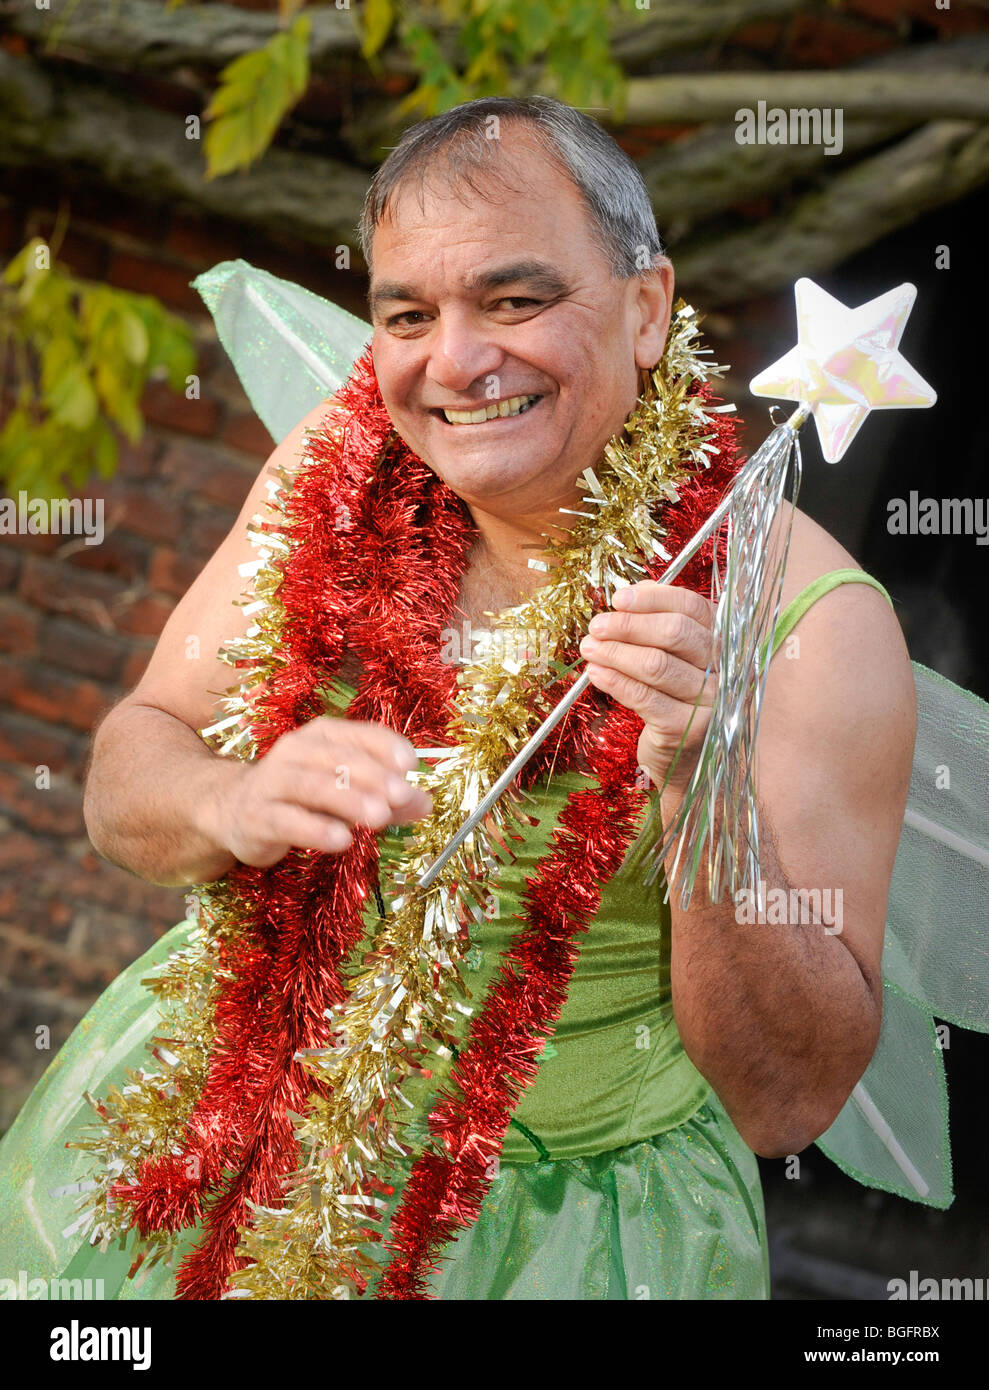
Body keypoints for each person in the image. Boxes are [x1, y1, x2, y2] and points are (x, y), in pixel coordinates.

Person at [0, 96, 961, 1302]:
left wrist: (694, 781)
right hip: (210, 1136)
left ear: (646, 309)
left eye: (514, 301)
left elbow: (787, 1097)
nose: (454, 362)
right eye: (409, 314)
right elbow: (125, 773)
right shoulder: (327, 476)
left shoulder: (810, 625)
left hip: (557, 1233)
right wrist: (227, 799)